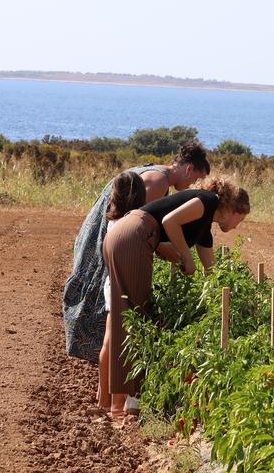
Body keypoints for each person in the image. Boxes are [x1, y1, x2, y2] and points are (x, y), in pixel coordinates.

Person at [103, 176, 250, 416]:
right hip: (134, 235)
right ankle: (124, 405)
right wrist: (186, 257)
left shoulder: (204, 231)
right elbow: (170, 221)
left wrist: (228, 299)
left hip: (124, 235)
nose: (237, 226)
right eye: (240, 219)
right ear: (233, 209)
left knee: (128, 318)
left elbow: (211, 273)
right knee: (136, 320)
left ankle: (119, 404)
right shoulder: (206, 200)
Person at [63, 141, 211, 365]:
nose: (194, 185)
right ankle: (109, 374)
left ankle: (105, 373)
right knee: (112, 307)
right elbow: (136, 227)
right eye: (196, 179)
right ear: (188, 168)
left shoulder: (156, 171)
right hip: (112, 238)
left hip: (104, 234)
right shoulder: (159, 181)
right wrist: (168, 251)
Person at [95, 171, 147, 416]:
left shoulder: (112, 219)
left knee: (109, 338)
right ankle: (116, 402)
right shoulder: (130, 221)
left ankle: (105, 399)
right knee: (117, 339)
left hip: (110, 281)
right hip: (119, 282)